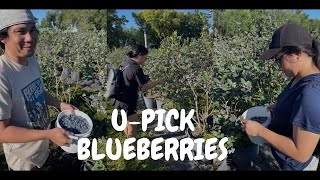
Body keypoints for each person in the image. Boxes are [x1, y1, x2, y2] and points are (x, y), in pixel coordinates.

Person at [0, 9, 78, 170]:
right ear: (3, 37)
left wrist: (60, 104)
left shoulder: (32, 62)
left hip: (41, 144)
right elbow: (2, 132)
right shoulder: (3, 74)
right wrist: (49, 134)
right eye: (20, 31)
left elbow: (37, 92)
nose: (30, 38)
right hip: (23, 156)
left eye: (33, 30)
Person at [242, 23, 320, 171]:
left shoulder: (311, 94)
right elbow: (296, 105)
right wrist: (279, 106)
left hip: (294, 166)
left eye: (278, 59)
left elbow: (301, 153)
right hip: (280, 158)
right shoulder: (300, 77)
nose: (278, 65)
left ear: (297, 53)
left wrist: (259, 131)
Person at [112, 44, 164, 150]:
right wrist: (158, 82)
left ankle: (129, 142)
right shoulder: (136, 68)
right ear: (140, 55)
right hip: (128, 101)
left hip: (118, 99)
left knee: (126, 123)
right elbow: (144, 88)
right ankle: (134, 148)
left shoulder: (125, 63)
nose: (145, 60)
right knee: (132, 126)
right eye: (145, 57)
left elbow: (130, 79)